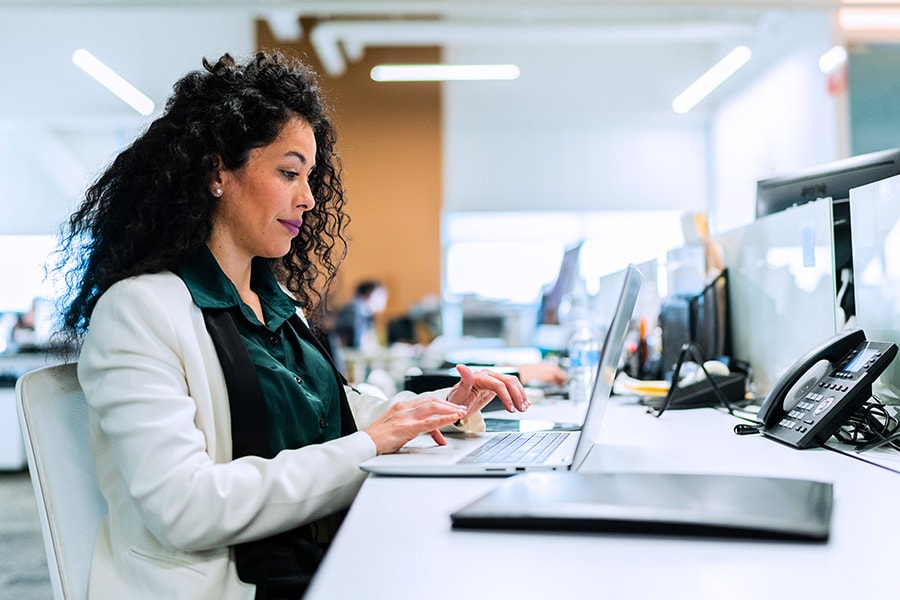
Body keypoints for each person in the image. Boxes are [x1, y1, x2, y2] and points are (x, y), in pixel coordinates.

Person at [55, 51, 529, 600]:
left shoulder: (276, 301)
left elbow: (331, 411)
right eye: (288, 172)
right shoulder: (139, 311)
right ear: (216, 173)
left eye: (309, 176)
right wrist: (371, 445)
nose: (307, 197)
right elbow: (185, 509)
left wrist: (439, 407)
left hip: (315, 555)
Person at [333, 280, 386, 352]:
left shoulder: (367, 314)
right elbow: (354, 344)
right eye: (380, 295)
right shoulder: (352, 311)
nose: (384, 300)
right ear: (368, 293)